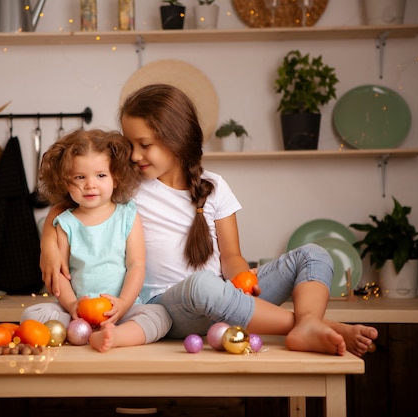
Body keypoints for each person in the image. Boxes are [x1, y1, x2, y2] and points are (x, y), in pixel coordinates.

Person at [40, 84, 378, 357]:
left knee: (314, 254)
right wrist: (48, 243)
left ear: (176, 140)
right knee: (202, 285)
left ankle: (307, 324)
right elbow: (68, 204)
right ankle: (315, 324)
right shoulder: (128, 185)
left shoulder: (214, 187)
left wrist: (242, 278)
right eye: (130, 144)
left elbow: (230, 256)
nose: (134, 155)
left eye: (144, 144)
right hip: (169, 307)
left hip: (222, 295)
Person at [21, 128, 171, 352]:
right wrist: (72, 305)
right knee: (31, 314)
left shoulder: (127, 215)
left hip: (121, 310)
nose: (90, 185)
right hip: (77, 312)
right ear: (65, 183)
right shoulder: (65, 223)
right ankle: (81, 331)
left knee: (160, 315)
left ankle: (115, 335)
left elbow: (136, 265)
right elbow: (60, 274)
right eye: (80, 177)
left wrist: (123, 304)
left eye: (101, 176)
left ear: (116, 177)